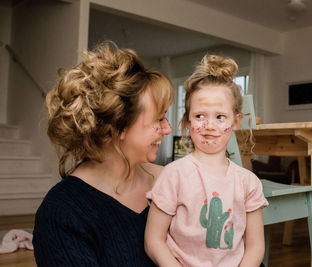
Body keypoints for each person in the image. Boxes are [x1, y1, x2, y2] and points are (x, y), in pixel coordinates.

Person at [32, 41, 174, 266]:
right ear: (117, 127)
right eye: (159, 119)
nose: (167, 129)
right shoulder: (62, 214)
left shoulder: (171, 181)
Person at [145, 54, 268, 267]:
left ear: (236, 121)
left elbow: (256, 246)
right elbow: (154, 240)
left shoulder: (248, 182)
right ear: (187, 120)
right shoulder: (173, 174)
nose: (209, 125)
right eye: (200, 116)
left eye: (220, 117)